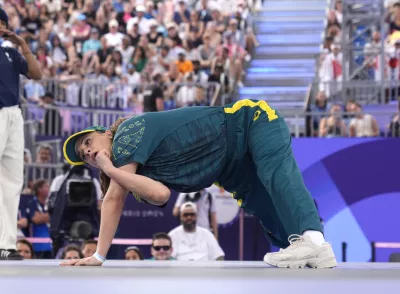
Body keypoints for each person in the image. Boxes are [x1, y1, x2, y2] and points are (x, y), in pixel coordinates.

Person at [61, 99, 337, 268]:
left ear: (105, 133)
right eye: (84, 157)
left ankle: (314, 239)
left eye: (87, 143)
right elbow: (159, 195)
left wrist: (98, 256)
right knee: (263, 205)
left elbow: (113, 199)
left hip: (247, 122)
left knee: (276, 175)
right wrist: (112, 171)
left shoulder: (127, 132)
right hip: (228, 167)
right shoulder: (130, 173)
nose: (87, 152)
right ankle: (302, 248)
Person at [0, 8, 42, 260]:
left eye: (2, 23)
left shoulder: (10, 52)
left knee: (12, 181)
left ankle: (6, 244)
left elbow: (36, 73)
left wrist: (23, 44)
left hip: (13, 113)